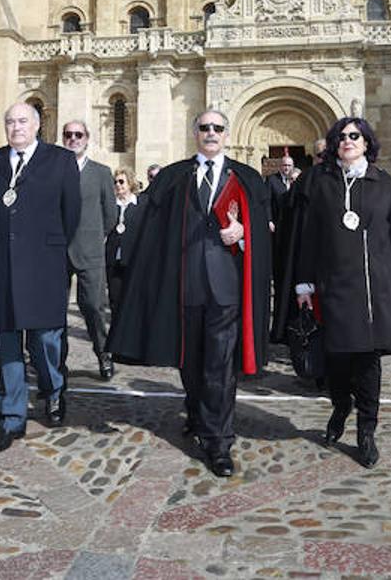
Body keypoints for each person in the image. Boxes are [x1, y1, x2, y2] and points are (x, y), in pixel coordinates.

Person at [108, 109, 273, 478]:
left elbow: (262, 233)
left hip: (227, 288)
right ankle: (198, 411)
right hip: (183, 285)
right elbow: (148, 225)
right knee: (190, 361)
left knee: (220, 364)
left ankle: (219, 441)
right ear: (194, 133)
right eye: (204, 128)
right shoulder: (173, 177)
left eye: (217, 128)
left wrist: (243, 234)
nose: (211, 133)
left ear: (227, 135)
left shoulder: (246, 178)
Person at [292, 118, 391, 468]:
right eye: (342, 137)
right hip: (333, 286)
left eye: (355, 136)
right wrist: (303, 284)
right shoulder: (322, 183)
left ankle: (367, 431)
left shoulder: (383, 183)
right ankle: (340, 405)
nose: (348, 141)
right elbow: (309, 237)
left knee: (368, 363)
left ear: (366, 143)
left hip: (372, 287)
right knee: (336, 359)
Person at [0, 102, 80, 454]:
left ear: (37, 126)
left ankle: (54, 389)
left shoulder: (60, 160)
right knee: (8, 345)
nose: (16, 127)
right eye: (10, 121)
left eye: (22, 121)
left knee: (46, 341)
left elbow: (71, 213)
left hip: (44, 263)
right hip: (2, 265)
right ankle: (11, 418)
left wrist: (48, 246)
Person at [61, 119, 119, 380]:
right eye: (68, 135)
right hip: (57, 253)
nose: (74, 139)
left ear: (87, 138)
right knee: (53, 312)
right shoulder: (53, 170)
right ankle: (55, 361)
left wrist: (96, 237)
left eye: (78, 135)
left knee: (94, 306)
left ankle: (103, 354)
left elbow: (110, 213)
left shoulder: (101, 172)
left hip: (91, 251)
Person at [266, 154, 299, 339]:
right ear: (280, 166)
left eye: (289, 165)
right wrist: (269, 220)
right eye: (284, 165)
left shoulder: (297, 181)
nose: (286, 168)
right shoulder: (272, 181)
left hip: (293, 233)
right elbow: (267, 203)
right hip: (278, 232)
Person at [105, 169, 141, 320]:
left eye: (121, 181)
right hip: (114, 260)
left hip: (134, 260)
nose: (118, 185)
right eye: (116, 182)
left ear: (130, 183)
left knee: (134, 301)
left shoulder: (141, 204)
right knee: (115, 300)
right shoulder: (110, 205)